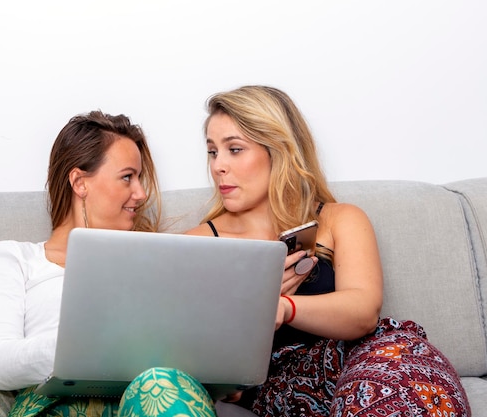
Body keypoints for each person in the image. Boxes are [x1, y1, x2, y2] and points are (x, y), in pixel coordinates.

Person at [186, 85, 471, 417]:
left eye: (234, 149)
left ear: (279, 150)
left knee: (392, 390)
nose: (218, 165)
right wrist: (249, 314)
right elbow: (200, 364)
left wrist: (283, 307)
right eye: (212, 152)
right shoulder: (197, 244)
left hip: (371, 356)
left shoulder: (341, 219)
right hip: (285, 389)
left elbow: (363, 313)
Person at [0, 111, 216, 417]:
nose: (140, 194)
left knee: (161, 385)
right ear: (79, 182)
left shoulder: (155, 261)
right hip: (58, 403)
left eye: (139, 178)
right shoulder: (16, 259)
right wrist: (89, 341)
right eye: (127, 177)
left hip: (151, 397)